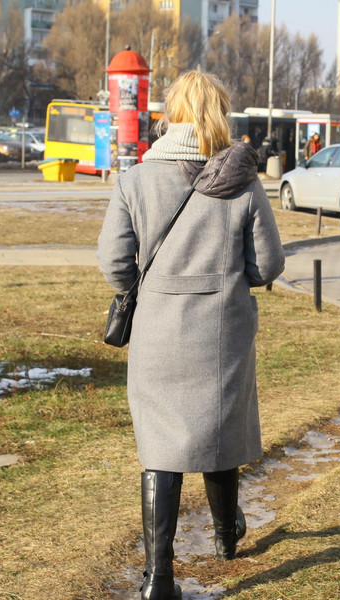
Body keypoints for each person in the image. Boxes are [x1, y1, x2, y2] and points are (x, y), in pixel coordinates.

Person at [97, 71, 285, 600]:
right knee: (219, 430)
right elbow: (268, 265)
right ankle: (226, 536)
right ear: (220, 114)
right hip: (221, 331)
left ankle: (159, 578)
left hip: (157, 331)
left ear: (169, 114)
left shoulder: (135, 180)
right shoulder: (244, 181)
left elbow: (113, 263)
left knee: (161, 446)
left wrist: (148, 287)